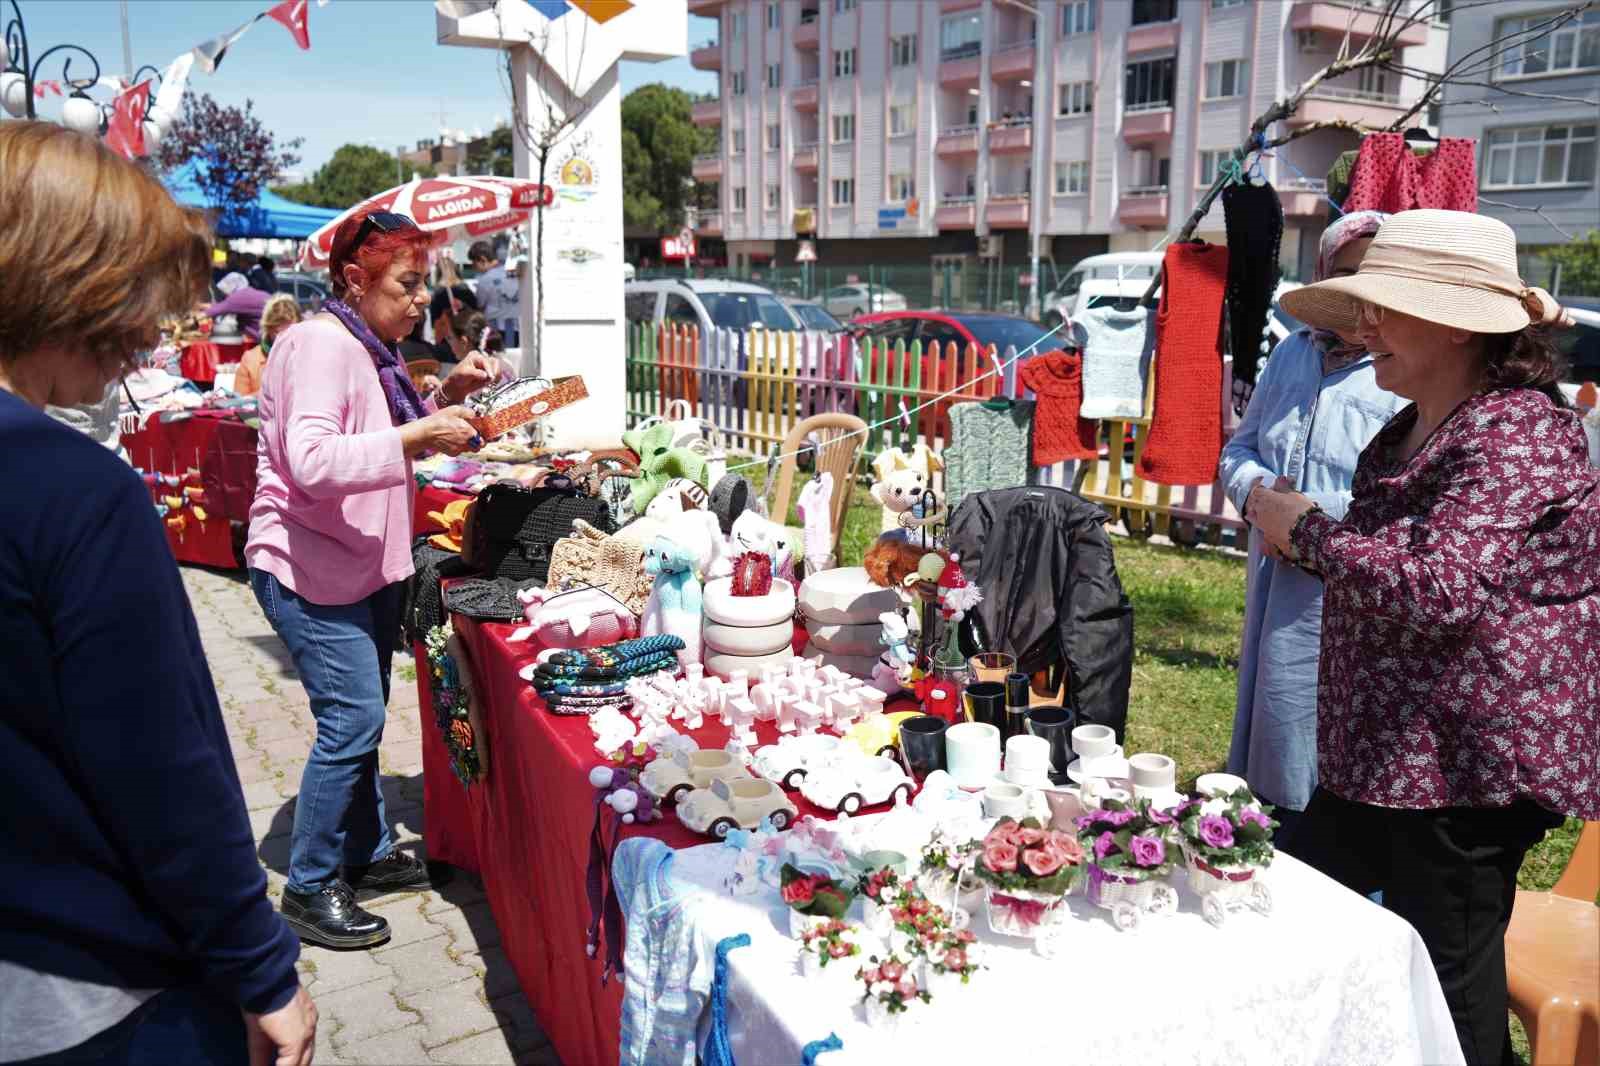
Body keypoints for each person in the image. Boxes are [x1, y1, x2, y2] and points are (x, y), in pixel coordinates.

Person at [0, 121, 317, 1065]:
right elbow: (164, 774)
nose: (148, 333)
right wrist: (262, 972)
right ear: (65, 278)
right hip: (94, 991)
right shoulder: (73, 493)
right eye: (135, 294)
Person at [1250, 209, 1598, 1066]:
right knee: (1301, 906)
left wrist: (1307, 531)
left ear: (1453, 324)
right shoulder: (1406, 431)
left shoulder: (1518, 436)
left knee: (1447, 982)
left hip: (1467, 773)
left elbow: (1443, 591)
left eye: (1383, 309)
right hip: (1393, 757)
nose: (1365, 330)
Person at [246, 207, 497, 949]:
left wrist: (446, 398)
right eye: (408, 284)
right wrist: (419, 433)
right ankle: (313, 883)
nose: (422, 300)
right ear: (355, 280)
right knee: (351, 721)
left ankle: (367, 851)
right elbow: (314, 462)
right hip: (308, 565)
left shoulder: (367, 346)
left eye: (425, 285)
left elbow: (381, 430)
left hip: (352, 563)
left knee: (360, 718)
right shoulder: (319, 346)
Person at [1217, 210, 1406, 851]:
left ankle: (1322, 842)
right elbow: (1240, 449)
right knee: (1274, 702)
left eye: (1376, 275)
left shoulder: (1402, 371)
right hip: (1275, 568)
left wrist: (1309, 519)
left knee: (1327, 719)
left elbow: (1407, 495)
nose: (1361, 290)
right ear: (1325, 275)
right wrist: (1261, 501)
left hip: (1350, 584)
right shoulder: (1293, 354)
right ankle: (1270, 826)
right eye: (1349, 274)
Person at [233, 293, 301, 398]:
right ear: (268, 329)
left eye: (290, 332)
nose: (285, 338)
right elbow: (237, 403)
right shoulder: (251, 359)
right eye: (279, 333)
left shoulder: (306, 357)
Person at [428, 255, 479, 361]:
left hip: (446, 339)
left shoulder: (438, 294)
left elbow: (435, 321)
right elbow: (475, 312)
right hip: (468, 337)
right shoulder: (466, 291)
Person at [469, 239, 518, 346]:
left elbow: (480, 306)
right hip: (519, 325)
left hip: (496, 329)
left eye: (474, 264)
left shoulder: (485, 279)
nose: (474, 268)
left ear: (482, 260)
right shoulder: (512, 271)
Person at [205, 271, 270, 343]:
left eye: (225, 294)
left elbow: (213, 311)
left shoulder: (239, 296)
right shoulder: (255, 294)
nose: (226, 297)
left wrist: (193, 320)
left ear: (231, 288)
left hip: (265, 341)